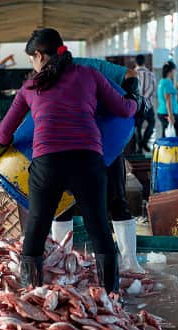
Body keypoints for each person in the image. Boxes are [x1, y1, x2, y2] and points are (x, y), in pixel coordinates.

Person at [0, 28, 139, 292]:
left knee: (36, 228)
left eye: (32, 59)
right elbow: (124, 109)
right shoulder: (90, 75)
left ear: (40, 56)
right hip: (88, 162)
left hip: (48, 165)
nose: (33, 65)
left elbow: (5, 131)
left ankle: (31, 291)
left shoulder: (31, 86)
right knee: (99, 228)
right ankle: (112, 297)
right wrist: (136, 101)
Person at [51, 57, 147, 275]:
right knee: (63, 202)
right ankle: (61, 261)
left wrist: (134, 96)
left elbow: (130, 75)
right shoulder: (47, 76)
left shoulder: (90, 67)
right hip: (69, 145)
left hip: (108, 141)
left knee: (117, 200)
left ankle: (130, 262)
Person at [134, 54, 156, 153]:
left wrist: (138, 99)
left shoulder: (132, 74)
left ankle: (139, 146)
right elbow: (153, 89)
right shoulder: (150, 74)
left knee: (137, 126)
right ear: (144, 62)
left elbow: (129, 89)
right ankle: (144, 142)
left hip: (136, 105)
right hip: (148, 105)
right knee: (151, 123)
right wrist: (145, 98)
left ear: (135, 63)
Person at [157, 61, 178, 135]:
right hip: (167, 113)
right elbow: (168, 99)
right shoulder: (167, 82)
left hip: (163, 112)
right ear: (170, 71)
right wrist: (170, 116)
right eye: (174, 71)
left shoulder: (162, 81)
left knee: (166, 135)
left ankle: (161, 146)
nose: (174, 73)